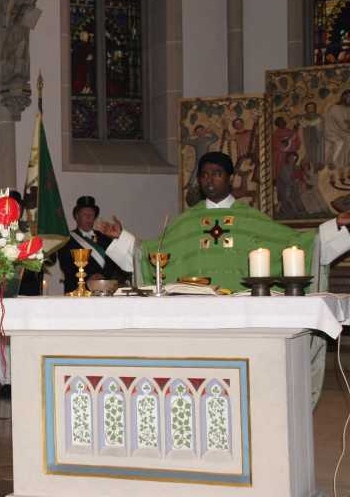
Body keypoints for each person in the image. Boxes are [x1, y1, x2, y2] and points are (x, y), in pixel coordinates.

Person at [101, 151, 350, 407]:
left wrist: (336, 226)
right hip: (197, 321)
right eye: (204, 175)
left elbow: (296, 243)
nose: (210, 179)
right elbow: (152, 255)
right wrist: (123, 238)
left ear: (230, 178)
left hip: (246, 321)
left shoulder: (251, 219)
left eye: (217, 173)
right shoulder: (186, 222)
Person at [58, 196, 126, 294]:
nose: (89, 217)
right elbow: (67, 268)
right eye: (85, 214)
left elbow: (114, 264)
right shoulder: (67, 240)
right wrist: (88, 279)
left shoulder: (105, 238)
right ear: (77, 216)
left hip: (104, 291)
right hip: (77, 293)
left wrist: (102, 277)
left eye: (91, 214)